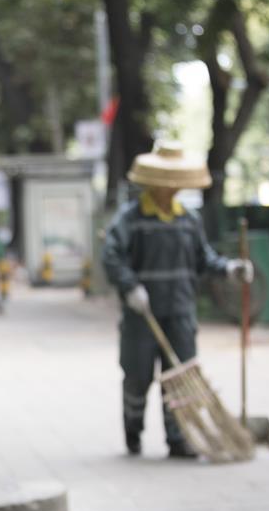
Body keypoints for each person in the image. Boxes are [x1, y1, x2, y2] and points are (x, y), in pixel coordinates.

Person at [101, 141, 253, 458]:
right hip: (142, 315)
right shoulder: (131, 218)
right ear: (153, 183)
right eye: (165, 183)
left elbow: (204, 259)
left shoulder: (189, 220)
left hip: (180, 311)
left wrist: (230, 269)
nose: (171, 189)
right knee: (138, 376)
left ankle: (179, 438)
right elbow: (112, 255)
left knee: (182, 377)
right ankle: (133, 432)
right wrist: (130, 287)